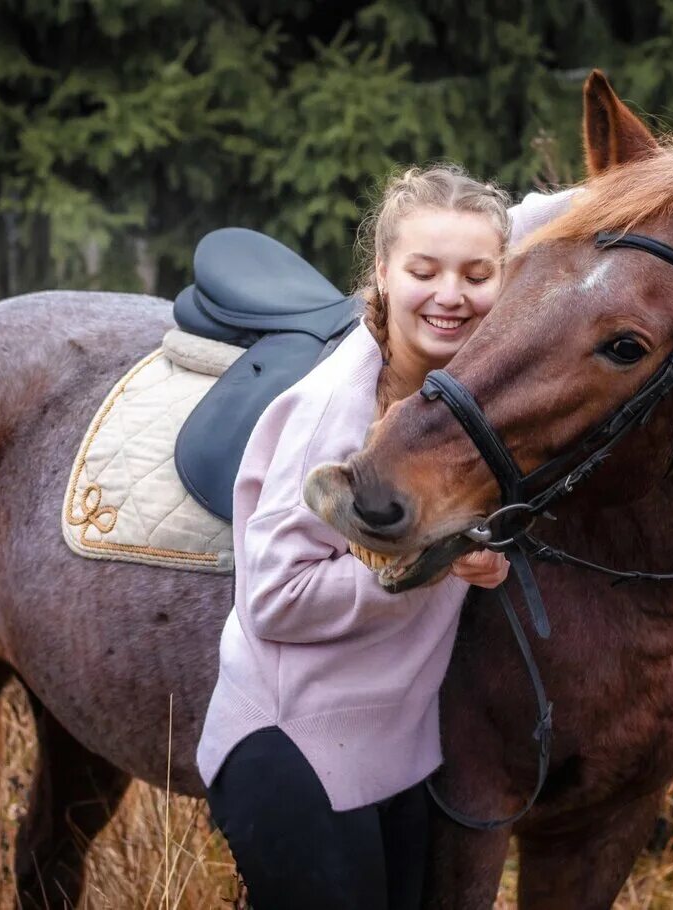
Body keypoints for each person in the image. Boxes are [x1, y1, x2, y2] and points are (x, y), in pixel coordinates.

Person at [196, 164, 577, 909]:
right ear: (381, 272)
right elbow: (274, 600)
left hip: (390, 761)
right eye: (424, 271)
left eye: (477, 274)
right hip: (294, 754)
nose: (451, 295)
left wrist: (645, 182)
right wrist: (429, 564)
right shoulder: (337, 411)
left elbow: (541, 215)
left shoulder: (446, 402)